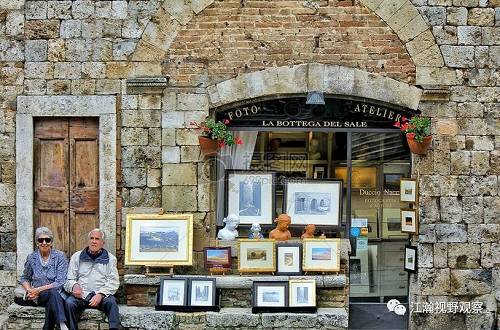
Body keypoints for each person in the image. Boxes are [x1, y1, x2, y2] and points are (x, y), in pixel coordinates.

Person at [64, 229, 120, 330]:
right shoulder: (77, 257)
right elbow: (69, 279)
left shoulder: (111, 259)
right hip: (81, 295)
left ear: (103, 242)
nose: (94, 241)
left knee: (112, 303)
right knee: (69, 303)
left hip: (101, 295)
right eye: (91, 238)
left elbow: (113, 282)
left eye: (97, 239)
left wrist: (101, 294)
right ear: (88, 241)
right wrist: (74, 286)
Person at [20, 227, 69, 330]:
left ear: (51, 242)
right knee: (51, 294)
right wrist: (29, 290)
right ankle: (62, 324)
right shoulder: (31, 257)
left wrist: (37, 289)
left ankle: (51, 326)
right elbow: (25, 278)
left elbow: (60, 282)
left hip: (58, 293)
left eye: (47, 240)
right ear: (37, 243)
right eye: (40, 240)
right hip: (40, 296)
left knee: (53, 294)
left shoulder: (60, 256)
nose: (44, 242)